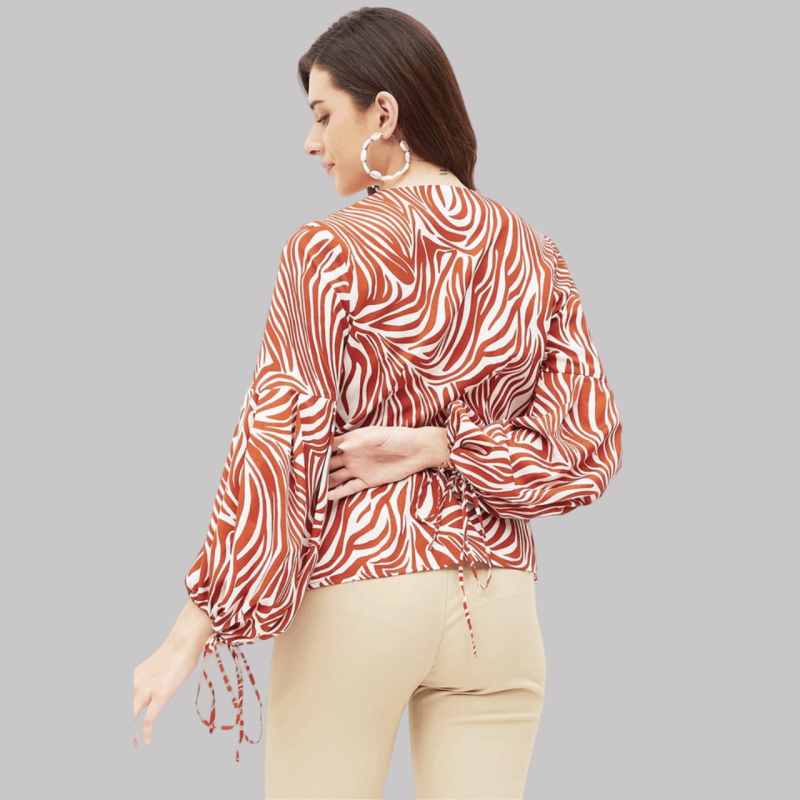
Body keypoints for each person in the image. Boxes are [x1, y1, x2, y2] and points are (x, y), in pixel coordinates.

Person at [133, 7, 622, 798]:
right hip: (499, 608)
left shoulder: (327, 251)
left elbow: (279, 436)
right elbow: (586, 454)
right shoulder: (539, 256)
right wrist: (447, 444)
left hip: (364, 587)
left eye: (324, 115)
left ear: (384, 113)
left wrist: (195, 623)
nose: (310, 141)